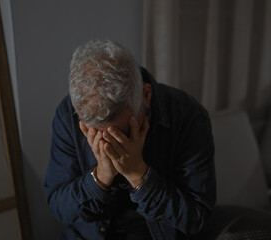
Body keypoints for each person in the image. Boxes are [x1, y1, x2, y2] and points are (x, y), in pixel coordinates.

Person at [44, 40, 216, 240]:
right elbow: (58, 207)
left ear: (145, 95)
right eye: (94, 133)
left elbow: (196, 218)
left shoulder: (188, 116)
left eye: (120, 133)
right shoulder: (67, 116)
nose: (108, 144)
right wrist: (100, 177)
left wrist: (139, 175)